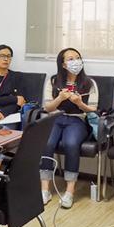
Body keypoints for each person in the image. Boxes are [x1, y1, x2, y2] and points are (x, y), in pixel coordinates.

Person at [40, 48, 98, 209]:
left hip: (77, 120)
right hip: (55, 118)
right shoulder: (53, 81)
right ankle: (45, 190)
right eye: (71, 59)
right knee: (47, 143)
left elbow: (93, 109)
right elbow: (48, 108)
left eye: (78, 58)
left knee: (71, 144)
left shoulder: (89, 83)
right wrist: (59, 98)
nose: (75, 61)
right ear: (63, 64)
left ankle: (69, 192)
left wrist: (80, 103)